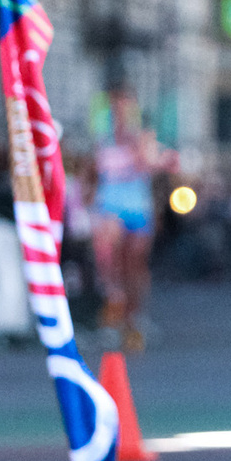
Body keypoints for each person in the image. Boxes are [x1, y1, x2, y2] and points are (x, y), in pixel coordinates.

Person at [90, 91, 166, 351]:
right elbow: (94, 173)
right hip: (112, 207)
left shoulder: (143, 139)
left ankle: (135, 316)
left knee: (136, 263)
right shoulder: (103, 141)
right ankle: (114, 315)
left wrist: (139, 145)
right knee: (113, 261)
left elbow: (152, 164)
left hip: (139, 208)